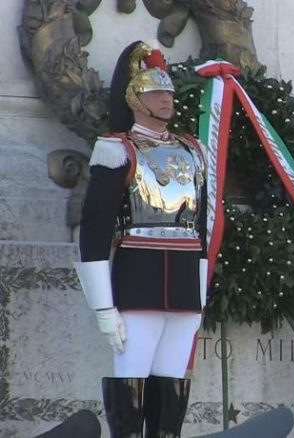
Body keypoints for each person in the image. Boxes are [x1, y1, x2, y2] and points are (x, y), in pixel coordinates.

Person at [74, 40, 209, 437]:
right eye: (155, 91)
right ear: (134, 98)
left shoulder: (193, 150)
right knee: (131, 380)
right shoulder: (117, 149)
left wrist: (200, 297)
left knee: (171, 385)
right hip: (138, 282)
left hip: (184, 285)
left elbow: (200, 231)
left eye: (168, 90)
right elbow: (94, 232)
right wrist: (103, 308)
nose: (166, 98)